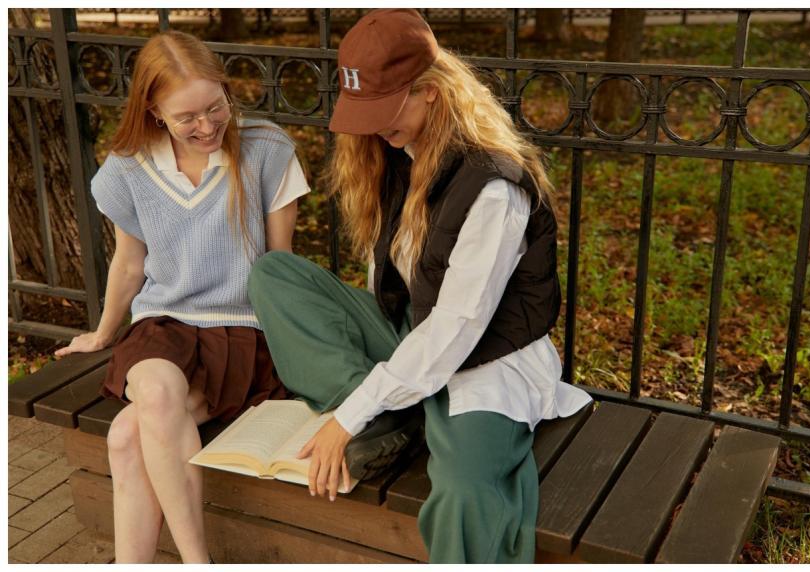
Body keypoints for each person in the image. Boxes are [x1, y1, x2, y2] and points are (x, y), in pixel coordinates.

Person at [248, 8, 592, 564]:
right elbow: (398, 289)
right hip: (415, 336)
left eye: (387, 107)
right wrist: (372, 395)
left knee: (465, 493)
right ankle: (398, 413)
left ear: (431, 91)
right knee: (274, 275)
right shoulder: (396, 157)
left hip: (487, 361)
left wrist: (346, 418)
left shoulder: (492, 188)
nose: (377, 125)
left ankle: (391, 411)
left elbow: (457, 329)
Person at [54, 30, 309, 563]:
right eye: (187, 117)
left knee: (127, 440)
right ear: (153, 110)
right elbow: (129, 261)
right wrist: (102, 334)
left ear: (224, 87)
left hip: (243, 328)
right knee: (158, 394)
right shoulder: (129, 168)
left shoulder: (265, 148)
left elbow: (278, 267)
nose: (208, 125)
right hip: (163, 324)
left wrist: (299, 353)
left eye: (216, 106)